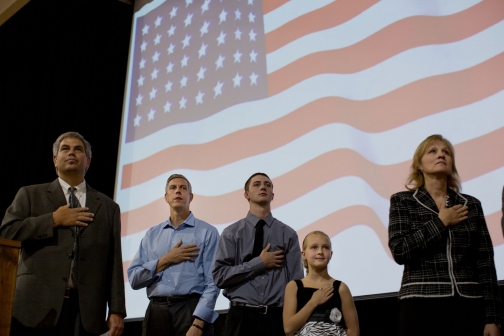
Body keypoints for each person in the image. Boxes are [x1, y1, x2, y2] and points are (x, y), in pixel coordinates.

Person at [0, 131, 126, 336]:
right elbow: (7, 233)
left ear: (88, 161)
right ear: (55, 160)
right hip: (35, 308)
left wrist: (117, 309)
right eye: (65, 149)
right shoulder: (30, 194)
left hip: (84, 312)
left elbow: (114, 260)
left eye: (78, 149)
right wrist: (53, 220)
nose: (72, 153)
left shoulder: (108, 206)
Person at [388, 134, 503, 336]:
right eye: (433, 151)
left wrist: (493, 318)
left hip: (468, 303)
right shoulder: (403, 201)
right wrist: (441, 222)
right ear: (419, 165)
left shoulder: (471, 204)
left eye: (446, 152)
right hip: (420, 304)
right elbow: (400, 250)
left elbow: (485, 263)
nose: (441, 154)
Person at [212, 172, 304, 336]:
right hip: (241, 317)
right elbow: (220, 276)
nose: (263, 187)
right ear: (246, 194)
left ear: (273, 195)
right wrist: (260, 263)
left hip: (277, 317)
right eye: (257, 184)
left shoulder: (288, 234)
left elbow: (296, 283)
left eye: (268, 185)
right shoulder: (231, 233)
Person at [127, 174, 220, 336]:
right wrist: (166, 260)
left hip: (190, 311)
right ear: (166, 197)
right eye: (173, 188)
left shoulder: (208, 232)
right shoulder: (152, 235)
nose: (178, 191)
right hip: (156, 312)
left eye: (183, 188)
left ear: (190, 197)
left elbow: (213, 282)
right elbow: (134, 279)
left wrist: (198, 323)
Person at [283, 231, 359, 336]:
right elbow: (288, 329)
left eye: (325, 247)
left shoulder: (341, 288)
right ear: (303, 254)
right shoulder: (293, 287)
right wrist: (313, 302)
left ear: (331, 254)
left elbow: (353, 330)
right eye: (314, 247)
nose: (320, 252)